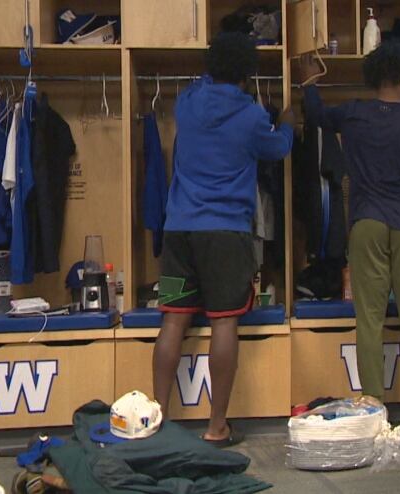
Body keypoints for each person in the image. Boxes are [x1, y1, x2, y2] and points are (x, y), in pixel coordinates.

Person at [153, 32, 294, 446]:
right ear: (247, 73)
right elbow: (279, 149)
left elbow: (203, 79)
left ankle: (157, 424)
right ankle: (216, 427)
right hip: (226, 233)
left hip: (179, 230)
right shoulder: (252, 116)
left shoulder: (187, 102)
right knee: (224, 323)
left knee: (172, 321)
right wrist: (286, 120)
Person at [300, 41, 400, 401]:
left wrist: (309, 82)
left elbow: (317, 117)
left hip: (366, 222)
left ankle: (372, 406)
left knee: (369, 319)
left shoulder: (354, 114)